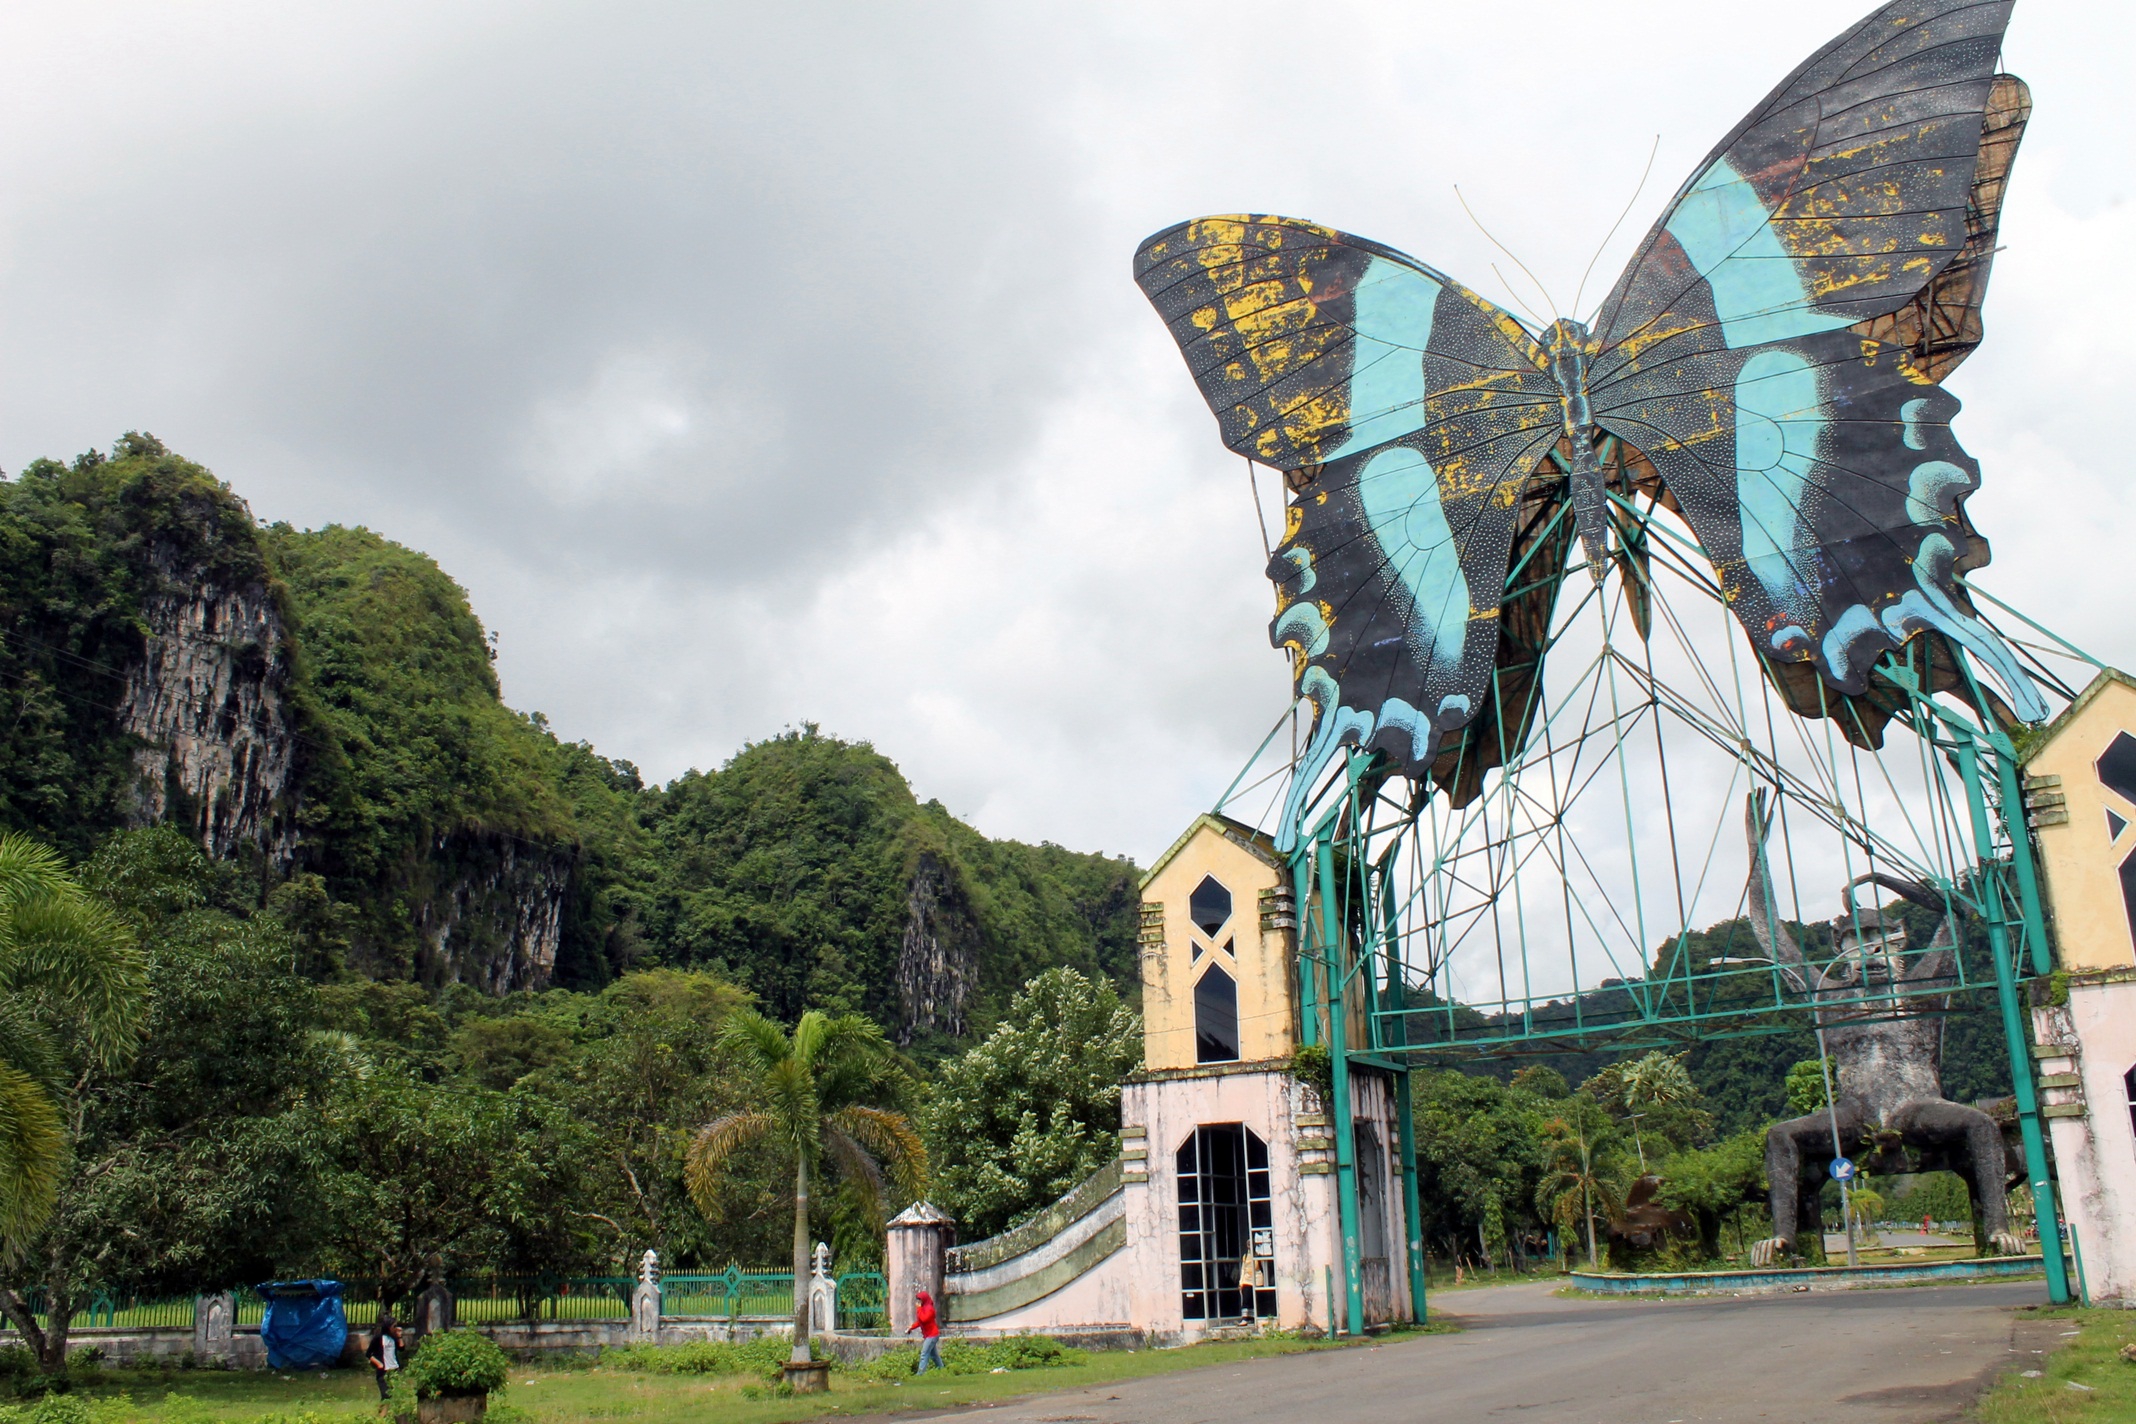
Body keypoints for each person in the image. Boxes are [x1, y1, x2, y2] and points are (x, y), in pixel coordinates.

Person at [367, 1313, 404, 1404]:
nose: (396, 1328)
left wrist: (399, 1336)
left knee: (394, 1394)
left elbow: (402, 1348)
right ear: (388, 1327)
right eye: (394, 1326)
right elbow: (368, 1354)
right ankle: (382, 1415)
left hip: (394, 1369)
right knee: (385, 1395)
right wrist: (379, 1364)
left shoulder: (394, 1338)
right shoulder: (378, 1338)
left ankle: (386, 1414)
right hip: (383, 1370)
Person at [907, 1287, 942, 1374]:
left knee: (924, 1353)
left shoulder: (929, 1309)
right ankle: (942, 1369)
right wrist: (911, 1327)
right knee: (934, 1355)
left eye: (920, 1300)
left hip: (932, 1335)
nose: (919, 1302)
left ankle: (920, 1373)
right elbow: (919, 1322)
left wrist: (918, 1309)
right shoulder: (923, 1309)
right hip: (929, 1335)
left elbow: (924, 1319)